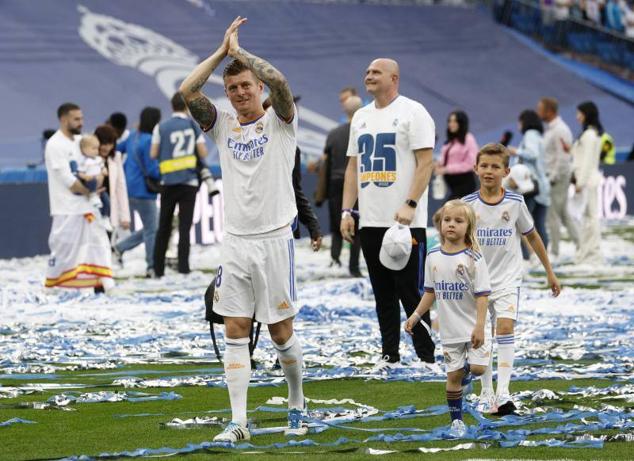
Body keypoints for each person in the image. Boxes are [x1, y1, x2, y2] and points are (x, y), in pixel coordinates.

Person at [179, 16, 307, 442]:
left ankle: (296, 402)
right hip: (235, 241)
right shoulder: (221, 125)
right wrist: (221, 54)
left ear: (259, 89)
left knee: (279, 332)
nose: (238, 93)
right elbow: (187, 91)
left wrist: (242, 54)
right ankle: (239, 422)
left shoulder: (281, 121)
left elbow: (282, 82)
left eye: (245, 86)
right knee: (235, 327)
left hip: (274, 240)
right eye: (232, 88)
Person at [341, 58, 436, 369]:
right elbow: (353, 167)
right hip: (370, 220)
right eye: (366, 71)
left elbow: (426, 163)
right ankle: (389, 355)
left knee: (411, 293)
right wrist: (347, 210)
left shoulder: (413, 111)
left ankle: (426, 354)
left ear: (393, 78)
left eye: (375, 72)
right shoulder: (361, 117)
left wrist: (410, 203)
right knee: (382, 294)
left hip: (404, 223)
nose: (368, 75)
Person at [464, 143, 560, 415]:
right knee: (480, 337)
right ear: (476, 168)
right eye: (484, 166)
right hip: (477, 283)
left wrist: (549, 271)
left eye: (495, 167)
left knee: (505, 328)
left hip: (507, 280)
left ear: (506, 171)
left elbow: (531, 235)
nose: (489, 171)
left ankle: (503, 393)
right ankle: (485, 392)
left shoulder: (515, 203)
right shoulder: (468, 205)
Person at [405, 200, 491, 438]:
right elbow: (429, 293)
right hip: (450, 332)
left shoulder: (474, 258)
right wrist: (415, 315)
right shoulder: (433, 256)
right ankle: (457, 422)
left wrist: (481, 327)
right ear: (440, 224)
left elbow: (483, 296)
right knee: (452, 377)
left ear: (469, 226)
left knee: (478, 368)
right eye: (447, 220)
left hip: (475, 327)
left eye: (458, 221)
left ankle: (467, 374)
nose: (451, 224)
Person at [44, 103, 113, 290]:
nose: (81, 122)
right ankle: (54, 286)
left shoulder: (81, 141)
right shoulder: (55, 144)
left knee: (99, 244)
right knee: (63, 250)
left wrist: (98, 179)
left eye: (82, 118)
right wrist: (89, 190)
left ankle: (104, 284)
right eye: (77, 119)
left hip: (89, 206)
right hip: (66, 208)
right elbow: (67, 178)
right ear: (63, 119)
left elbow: (95, 166)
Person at [150, 92, 207, 277]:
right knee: (185, 226)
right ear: (187, 107)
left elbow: (153, 153)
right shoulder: (192, 125)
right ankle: (184, 268)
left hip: (167, 182)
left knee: (163, 226)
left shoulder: (161, 127)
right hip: (188, 182)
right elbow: (203, 152)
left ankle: (157, 269)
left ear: (172, 106)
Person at [113, 107, 161, 278]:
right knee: (152, 229)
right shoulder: (149, 140)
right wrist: (163, 174)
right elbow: (152, 169)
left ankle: (119, 248)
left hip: (128, 189)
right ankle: (152, 266)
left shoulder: (133, 135)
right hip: (144, 191)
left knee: (151, 227)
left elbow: (117, 148)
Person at [323, 95, 363, 276]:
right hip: (357, 183)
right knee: (357, 225)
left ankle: (335, 259)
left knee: (336, 222)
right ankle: (354, 267)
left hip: (335, 182)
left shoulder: (333, 134)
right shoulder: (363, 133)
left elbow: (326, 162)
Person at [537, 97, 578, 259]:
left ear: (549, 111)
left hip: (557, 178)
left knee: (552, 214)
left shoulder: (561, 130)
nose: (538, 112)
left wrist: (553, 177)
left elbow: (563, 158)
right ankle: (580, 244)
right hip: (553, 176)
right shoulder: (551, 129)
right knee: (563, 213)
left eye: (540, 109)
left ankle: (554, 251)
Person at [509, 110, 550, 260]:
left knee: (523, 224)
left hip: (530, 186)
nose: (518, 125)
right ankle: (543, 257)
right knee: (539, 223)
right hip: (541, 185)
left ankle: (527, 256)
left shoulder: (530, 135)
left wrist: (516, 151)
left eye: (519, 122)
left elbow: (532, 154)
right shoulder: (539, 136)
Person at [570, 101, 604, 265]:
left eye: (580, 113)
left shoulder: (590, 135)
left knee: (591, 218)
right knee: (587, 218)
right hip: (586, 180)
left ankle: (593, 254)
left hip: (588, 181)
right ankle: (587, 253)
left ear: (587, 114)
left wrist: (580, 182)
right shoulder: (589, 134)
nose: (577, 117)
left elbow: (588, 161)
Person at [94, 125, 131, 237]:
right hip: (93, 206)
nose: (106, 147)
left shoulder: (116, 158)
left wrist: (125, 217)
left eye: (110, 144)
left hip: (110, 209)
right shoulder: (89, 159)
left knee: (107, 241)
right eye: (104, 143)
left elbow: (121, 187)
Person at [435, 111, 479, 201]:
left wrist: (447, 169)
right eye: (450, 121)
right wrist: (438, 164)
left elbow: (471, 163)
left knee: (448, 210)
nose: (451, 124)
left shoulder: (468, 138)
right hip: (452, 186)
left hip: (465, 184)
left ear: (461, 123)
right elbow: (445, 159)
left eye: (455, 121)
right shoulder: (449, 142)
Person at [75, 134, 108, 218]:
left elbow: (103, 167)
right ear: (84, 150)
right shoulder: (84, 161)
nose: (96, 151)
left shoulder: (99, 159)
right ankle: (93, 195)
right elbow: (80, 173)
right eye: (93, 148)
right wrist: (86, 177)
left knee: (106, 202)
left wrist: (104, 170)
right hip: (90, 186)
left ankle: (105, 217)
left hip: (100, 187)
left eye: (97, 148)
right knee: (89, 211)